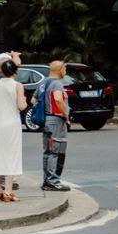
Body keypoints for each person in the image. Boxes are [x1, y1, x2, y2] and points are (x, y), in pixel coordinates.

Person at [0, 57, 29, 204]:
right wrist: (25, 101)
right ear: (15, 71)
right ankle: (8, 191)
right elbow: (21, 106)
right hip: (12, 124)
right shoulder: (18, 85)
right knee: (12, 155)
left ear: (1, 71)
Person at [40, 58, 74, 191]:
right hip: (56, 120)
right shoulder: (57, 84)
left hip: (47, 120)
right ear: (60, 70)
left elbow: (34, 99)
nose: (65, 71)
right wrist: (66, 114)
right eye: (65, 68)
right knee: (56, 151)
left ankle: (46, 180)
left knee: (48, 151)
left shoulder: (43, 83)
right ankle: (53, 181)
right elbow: (58, 99)